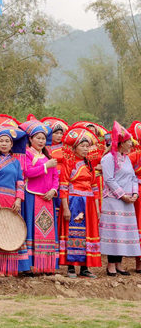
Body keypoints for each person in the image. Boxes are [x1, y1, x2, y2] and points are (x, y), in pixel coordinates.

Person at [0, 124, 31, 277]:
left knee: (9, 232)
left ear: (11, 144)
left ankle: (10, 266)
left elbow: (20, 182)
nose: (4, 143)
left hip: (11, 202)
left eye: (7, 141)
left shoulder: (16, 162)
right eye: (1, 141)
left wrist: (18, 200)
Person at [99, 122, 141, 275]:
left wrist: (134, 194)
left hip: (128, 201)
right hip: (114, 200)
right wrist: (122, 195)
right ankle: (110, 264)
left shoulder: (127, 158)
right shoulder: (108, 159)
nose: (131, 144)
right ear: (122, 143)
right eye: (129, 141)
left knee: (123, 233)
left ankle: (119, 264)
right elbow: (109, 179)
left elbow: (133, 178)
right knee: (114, 232)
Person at [59, 127, 100, 278]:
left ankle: (85, 267)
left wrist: (96, 209)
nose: (85, 149)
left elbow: (95, 187)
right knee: (74, 232)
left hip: (88, 203)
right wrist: (65, 208)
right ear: (74, 148)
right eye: (82, 146)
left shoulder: (90, 165)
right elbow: (63, 187)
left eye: (87, 146)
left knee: (87, 234)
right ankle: (70, 267)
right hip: (74, 202)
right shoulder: (68, 164)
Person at [19, 119, 59, 274]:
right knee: (31, 230)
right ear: (30, 139)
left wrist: (54, 191)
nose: (41, 141)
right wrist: (45, 166)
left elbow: (56, 177)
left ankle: (47, 265)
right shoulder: (27, 154)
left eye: (43, 138)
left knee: (46, 230)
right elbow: (27, 172)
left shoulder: (49, 156)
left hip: (47, 197)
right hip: (32, 195)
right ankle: (28, 265)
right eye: (38, 138)